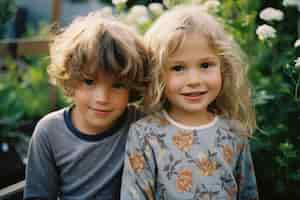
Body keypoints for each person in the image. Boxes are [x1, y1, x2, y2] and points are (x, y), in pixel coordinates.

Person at [121, 5, 258, 200]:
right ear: (158, 73)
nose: (194, 80)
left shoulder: (234, 132)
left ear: (223, 67)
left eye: (205, 65)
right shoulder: (145, 134)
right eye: (178, 68)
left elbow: (248, 193)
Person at [24, 11, 150, 200]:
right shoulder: (49, 132)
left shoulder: (140, 123)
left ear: (131, 87)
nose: (102, 98)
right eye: (89, 82)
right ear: (71, 79)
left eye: (117, 85)